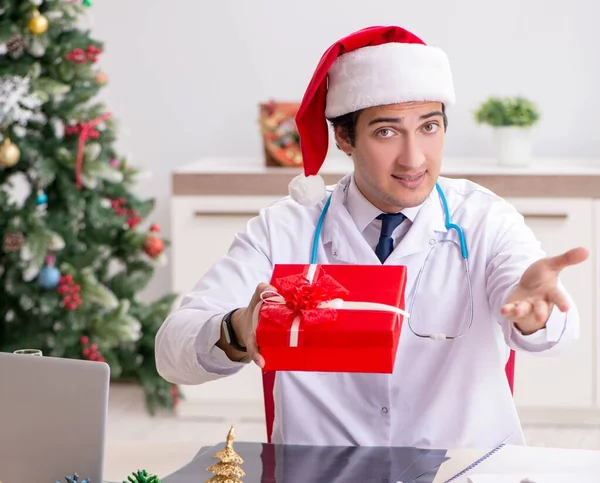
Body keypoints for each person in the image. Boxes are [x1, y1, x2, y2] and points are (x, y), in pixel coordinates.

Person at [155, 25, 588, 449]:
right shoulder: (284, 228)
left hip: (466, 468)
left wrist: (536, 315)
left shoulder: (484, 219)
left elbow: (556, 333)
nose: (414, 157)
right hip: (322, 470)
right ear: (344, 137)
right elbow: (172, 352)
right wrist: (234, 330)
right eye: (386, 132)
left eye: (429, 127)